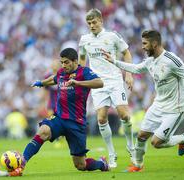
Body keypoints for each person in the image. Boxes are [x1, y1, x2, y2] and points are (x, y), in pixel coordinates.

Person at [103, 30, 184, 172]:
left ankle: (182, 138)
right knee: (141, 135)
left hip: (175, 108)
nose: (142, 47)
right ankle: (138, 166)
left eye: (145, 43)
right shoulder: (151, 61)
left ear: (155, 43)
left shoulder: (171, 60)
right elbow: (136, 68)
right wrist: (114, 61)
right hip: (158, 105)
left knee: (156, 142)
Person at [21, 48, 109, 172]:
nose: (63, 65)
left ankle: (101, 164)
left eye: (66, 62)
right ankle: (22, 162)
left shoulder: (84, 72)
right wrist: (41, 83)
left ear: (75, 61)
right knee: (43, 131)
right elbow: (54, 79)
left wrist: (78, 83)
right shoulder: (62, 72)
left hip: (76, 123)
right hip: (60, 117)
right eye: (61, 62)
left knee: (80, 165)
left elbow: (100, 83)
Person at [78, 8, 134, 167]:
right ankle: (111, 153)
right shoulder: (84, 40)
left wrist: (128, 74)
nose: (91, 25)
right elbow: (82, 59)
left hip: (115, 81)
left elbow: (127, 53)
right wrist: (83, 80)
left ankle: (130, 145)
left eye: (94, 22)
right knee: (101, 118)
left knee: (124, 115)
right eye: (89, 23)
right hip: (98, 83)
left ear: (101, 21)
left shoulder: (113, 36)